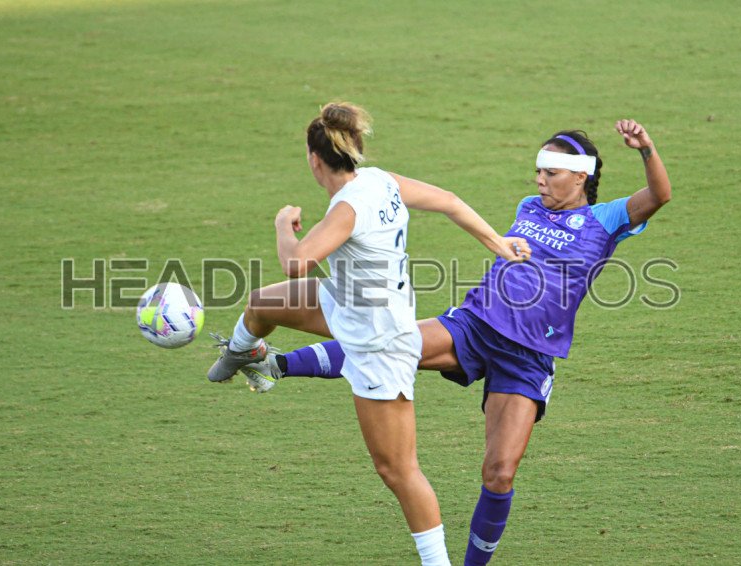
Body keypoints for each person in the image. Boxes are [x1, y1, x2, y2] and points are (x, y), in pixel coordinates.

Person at [240, 119, 672, 566]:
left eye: (550, 172)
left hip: (529, 357)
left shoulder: (605, 220)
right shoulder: (529, 207)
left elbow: (659, 195)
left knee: (499, 473)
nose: (539, 180)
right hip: (476, 324)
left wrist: (645, 148)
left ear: (580, 176)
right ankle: (276, 365)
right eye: (538, 171)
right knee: (387, 341)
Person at [207, 101, 531, 566]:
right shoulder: (380, 180)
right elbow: (449, 200)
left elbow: (296, 262)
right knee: (262, 303)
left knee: (397, 470)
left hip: (380, 342)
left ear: (314, 159)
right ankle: (245, 353)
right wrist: (498, 244)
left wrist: (282, 225)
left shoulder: (347, 208)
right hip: (348, 301)